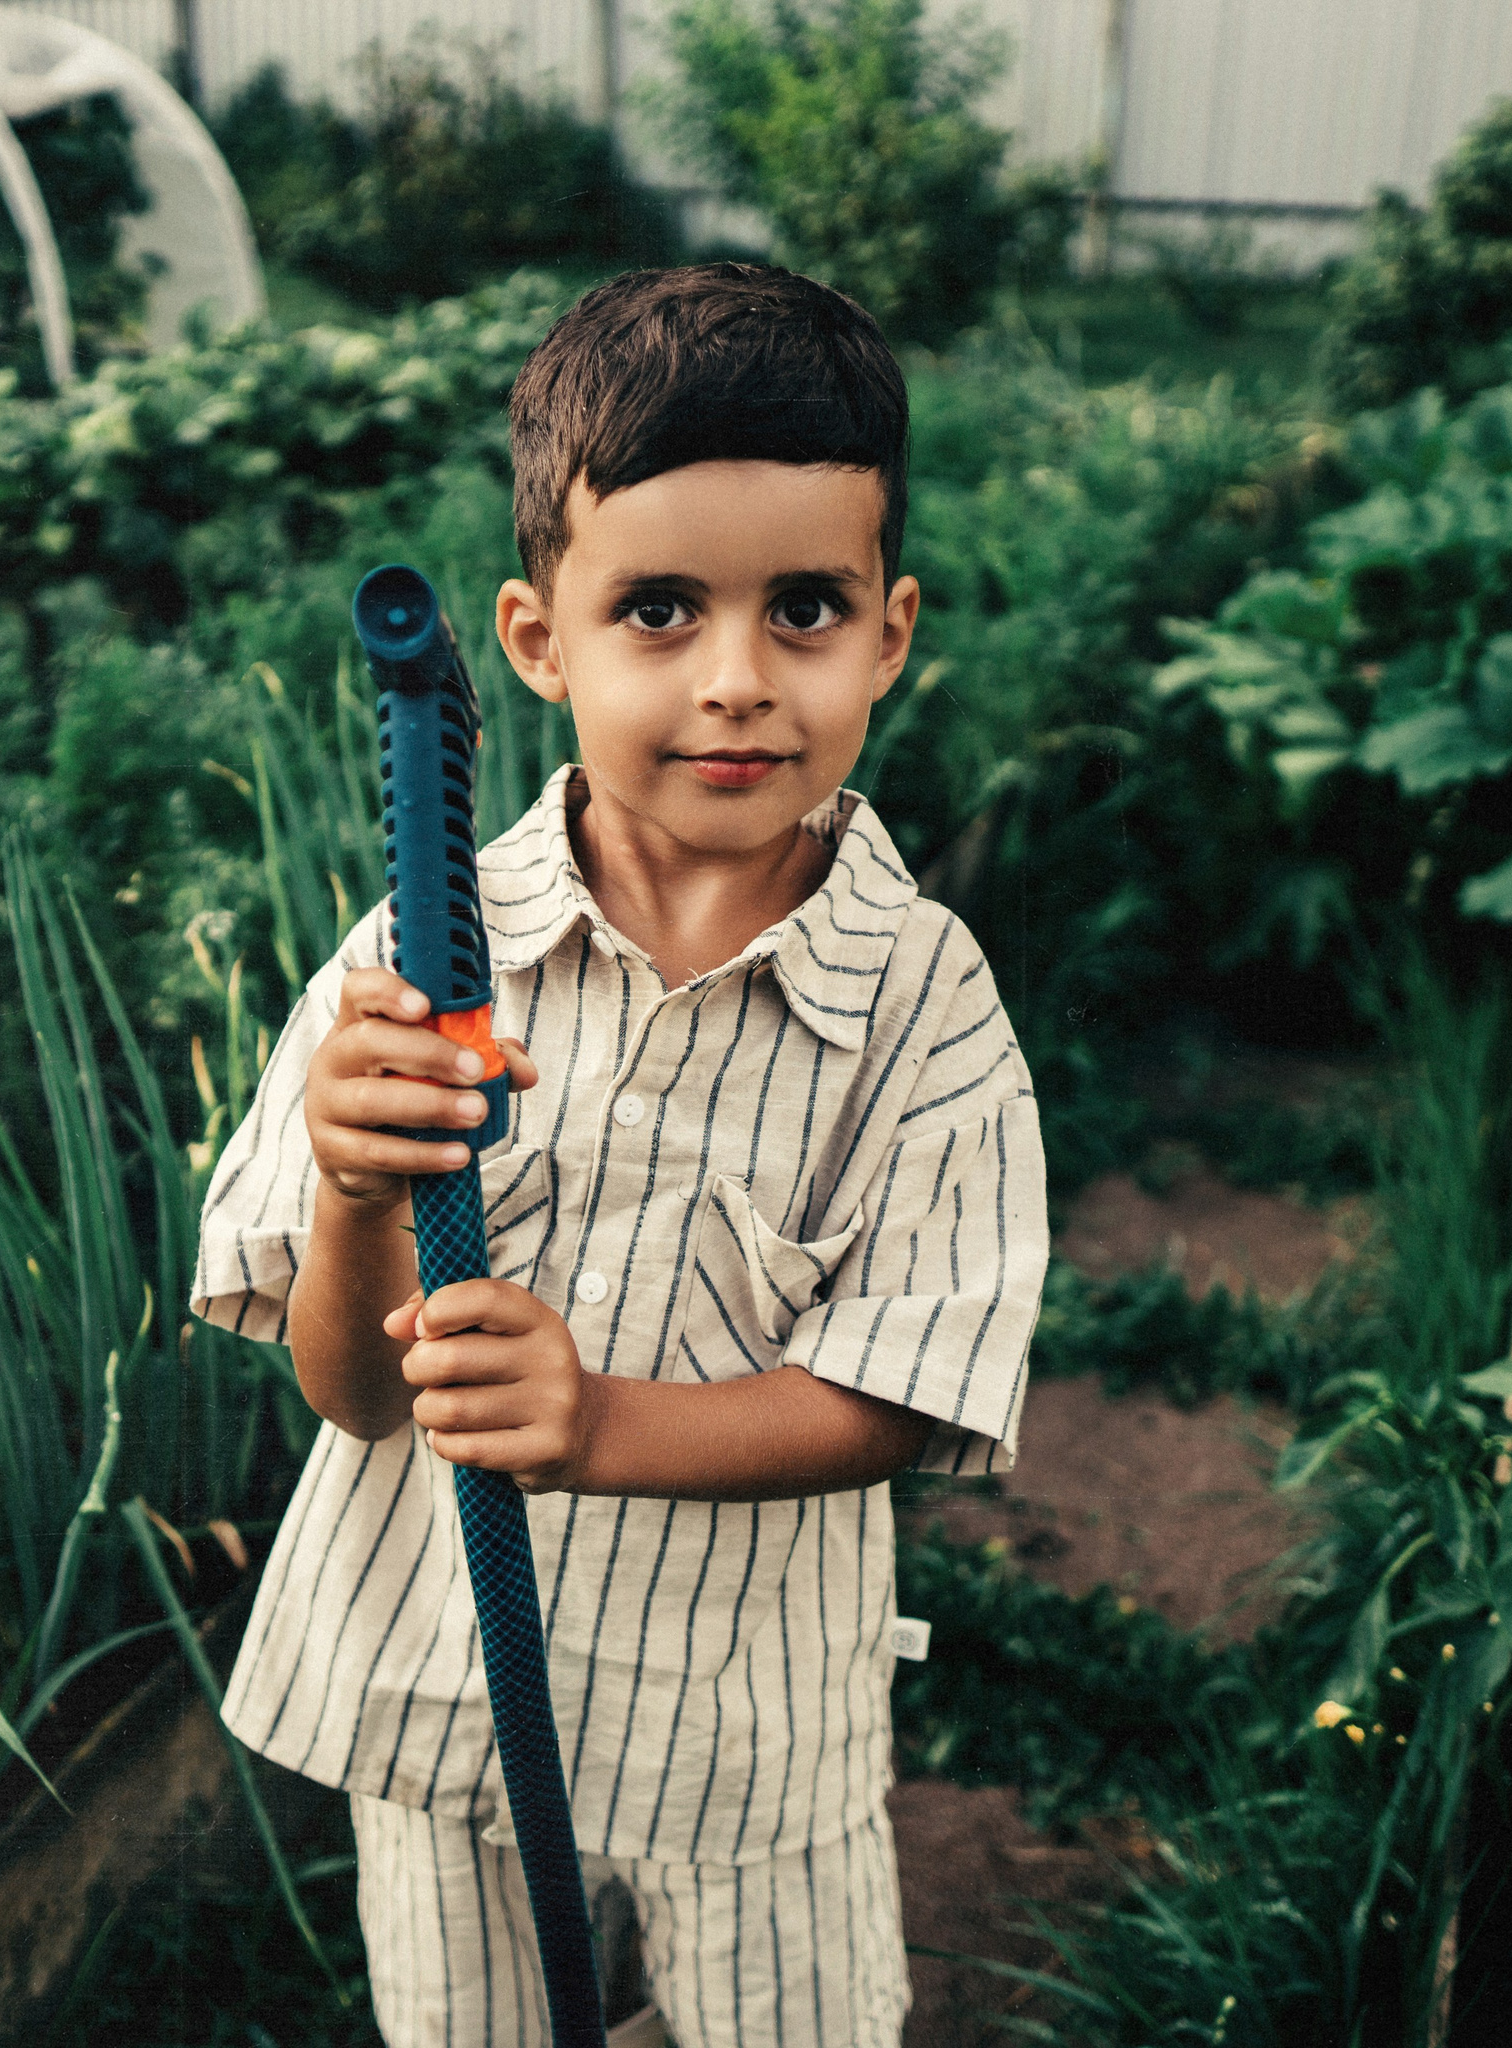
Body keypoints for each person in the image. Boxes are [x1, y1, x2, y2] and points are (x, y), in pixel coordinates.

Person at [190, 262, 1046, 2048]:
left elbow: (903, 1391)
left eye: (802, 608)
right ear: (533, 641)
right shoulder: (426, 967)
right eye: (657, 610)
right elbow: (355, 1393)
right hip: (445, 1695)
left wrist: (603, 1426)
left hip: (748, 1737)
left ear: (891, 633)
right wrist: (355, 1188)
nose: (737, 682)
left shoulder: (918, 999)